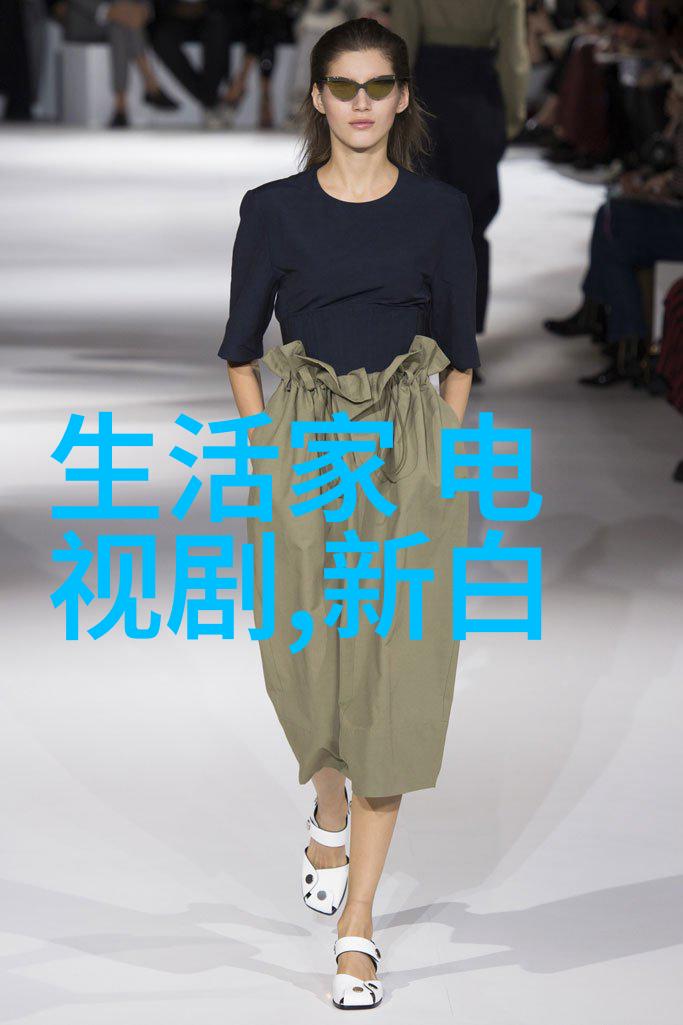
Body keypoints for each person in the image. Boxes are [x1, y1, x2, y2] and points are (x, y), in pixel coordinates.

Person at [217, 15, 479, 1011]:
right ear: (317, 98)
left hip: (406, 449)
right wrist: (267, 449)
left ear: (401, 97)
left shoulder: (440, 211)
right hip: (306, 448)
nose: (361, 103)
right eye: (343, 86)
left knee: (395, 674)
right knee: (302, 659)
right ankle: (327, 801)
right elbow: (239, 347)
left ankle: (357, 925)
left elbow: (459, 350)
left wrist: (438, 457)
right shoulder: (272, 210)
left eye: (378, 86)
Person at [390, 0, 530, 378]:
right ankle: (461, 347)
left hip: (427, 96)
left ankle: (415, 341)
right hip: (477, 96)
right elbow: (514, 54)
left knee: (422, 224)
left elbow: (402, 43)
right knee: (470, 225)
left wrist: (393, 108)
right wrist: (511, 116)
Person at [66, 0, 179, 127]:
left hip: (126, 19)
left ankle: (121, 106)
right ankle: (150, 84)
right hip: (89, 18)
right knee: (122, 21)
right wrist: (108, 11)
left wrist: (143, 9)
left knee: (121, 23)